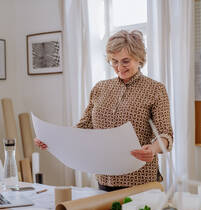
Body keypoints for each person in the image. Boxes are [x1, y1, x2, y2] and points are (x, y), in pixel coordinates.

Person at [35, 30, 173, 191]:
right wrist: (53, 141)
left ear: (139, 58)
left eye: (125, 61)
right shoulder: (100, 88)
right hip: (104, 179)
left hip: (140, 179)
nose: (119, 67)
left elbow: (165, 135)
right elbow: (83, 128)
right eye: (114, 61)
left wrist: (154, 149)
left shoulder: (155, 89)